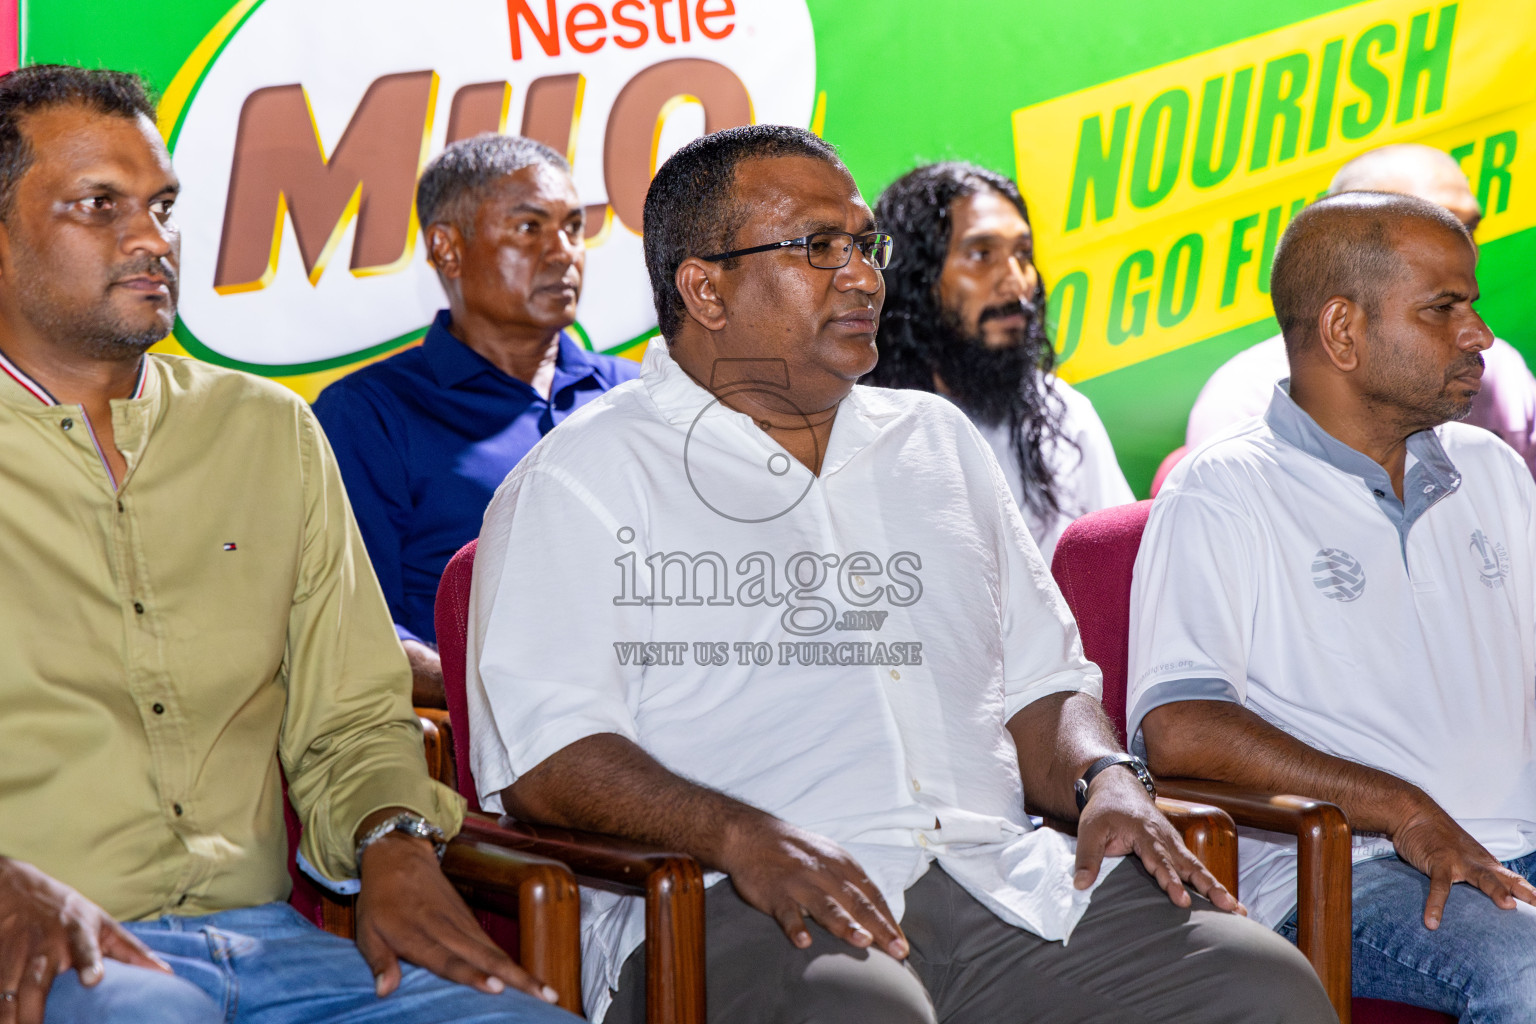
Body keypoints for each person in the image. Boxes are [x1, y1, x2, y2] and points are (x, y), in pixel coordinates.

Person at [464, 123, 1335, 1023]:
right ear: (705, 289)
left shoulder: (936, 440)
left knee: (1263, 985)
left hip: (997, 876)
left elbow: (1045, 686)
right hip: (736, 899)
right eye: (820, 248)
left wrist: (1103, 776)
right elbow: (547, 756)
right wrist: (737, 833)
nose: (865, 275)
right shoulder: (582, 479)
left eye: (864, 243)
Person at [0, 65, 576, 1024]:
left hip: (280, 949)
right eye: (98, 205)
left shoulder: (267, 430)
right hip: (56, 951)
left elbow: (350, 718)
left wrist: (394, 838)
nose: (152, 239)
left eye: (163, 204)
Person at [1130, 191, 1536, 1021]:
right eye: (1443, 309)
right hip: (1351, 873)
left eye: (1474, 305)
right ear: (1343, 331)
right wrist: (1400, 808)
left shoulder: (1490, 467)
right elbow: (1182, 727)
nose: (1480, 335)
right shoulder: (1223, 492)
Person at [312, 134, 638, 706]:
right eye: (529, 228)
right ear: (448, 250)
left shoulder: (638, 394)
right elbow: (354, 626)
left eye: (573, 228)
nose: (563, 252)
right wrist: (502, 704)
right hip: (486, 750)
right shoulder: (368, 414)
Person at [1186, 143, 1536, 476]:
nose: (1463, 250)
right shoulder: (1248, 399)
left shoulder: (1495, 372)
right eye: (1428, 229)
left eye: (1468, 228)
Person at [868, 162, 1132, 560]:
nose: (1015, 279)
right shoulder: (856, 428)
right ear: (918, 277)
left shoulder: (1061, 415)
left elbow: (1120, 567)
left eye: (1023, 254)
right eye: (981, 254)